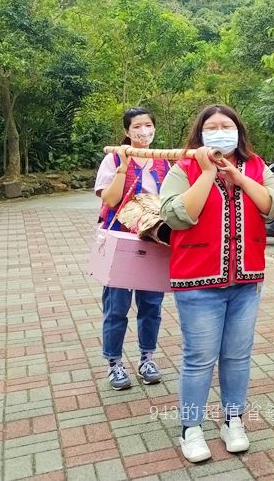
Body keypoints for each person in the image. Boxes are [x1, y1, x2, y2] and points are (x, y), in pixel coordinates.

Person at [159, 104, 274, 463]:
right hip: (198, 283)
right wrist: (205, 174)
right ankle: (191, 427)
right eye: (211, 126)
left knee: (237, 356)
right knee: (199, 358)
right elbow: (176, 216)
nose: (219, 131)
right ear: (200, 133)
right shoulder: (183, 167)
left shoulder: (256, 166)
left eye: (226, 125)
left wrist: (239, 178)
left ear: (239, 131)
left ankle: (233, 420)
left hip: (245, 282)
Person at [94, 107, 170, 390]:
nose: (143, 131)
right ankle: (114, 363)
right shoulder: (113, 158)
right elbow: (111, 200)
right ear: (127, 132)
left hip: (153, 240)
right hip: (120, 239)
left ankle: (147, 358)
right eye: (137, 127)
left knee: (151, 305)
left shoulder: (166, 162)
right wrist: (124, 166)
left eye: (148, 125)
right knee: (116, 306)